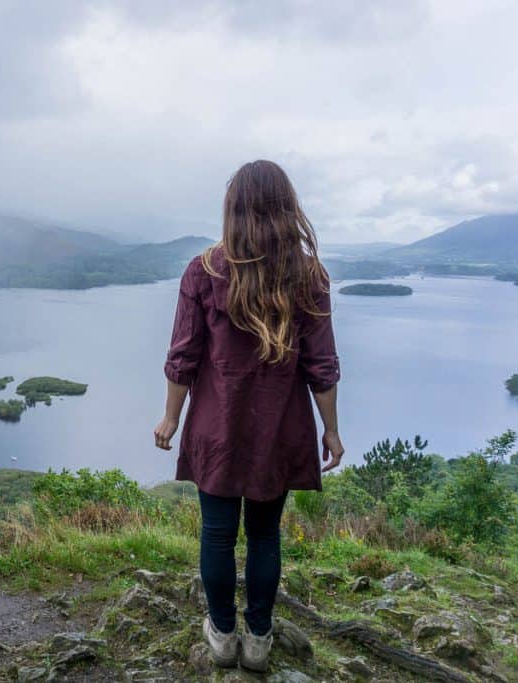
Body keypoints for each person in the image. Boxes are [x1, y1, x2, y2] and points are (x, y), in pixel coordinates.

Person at [153, 160, 343, 672]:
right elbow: (321, 366)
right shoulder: (309, 276)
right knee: (264, 534)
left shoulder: (205, 270)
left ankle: (221, 633)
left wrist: (171, 419)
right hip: (278, 429)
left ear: (233, 209)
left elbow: (183, 357)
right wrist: (331, 430)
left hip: (216, 428)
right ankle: (258, 638)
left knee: (216, 534)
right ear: (287, 209)